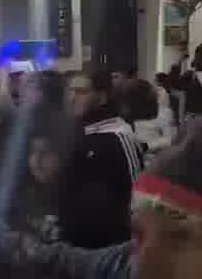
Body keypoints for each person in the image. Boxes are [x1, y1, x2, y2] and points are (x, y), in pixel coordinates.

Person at [0, 120, 202, 279]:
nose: (144, 263)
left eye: (178, 239)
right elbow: (42, 257)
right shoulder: (124, 264)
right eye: (139, 234)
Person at [62, 69, 144, 248]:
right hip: (74, 241)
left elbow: (137, 190)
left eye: (81, 92)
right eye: (71, 91)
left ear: (101, 96)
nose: (72, 98)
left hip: (108, 242)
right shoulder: (74, 131)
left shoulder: (119, 135)